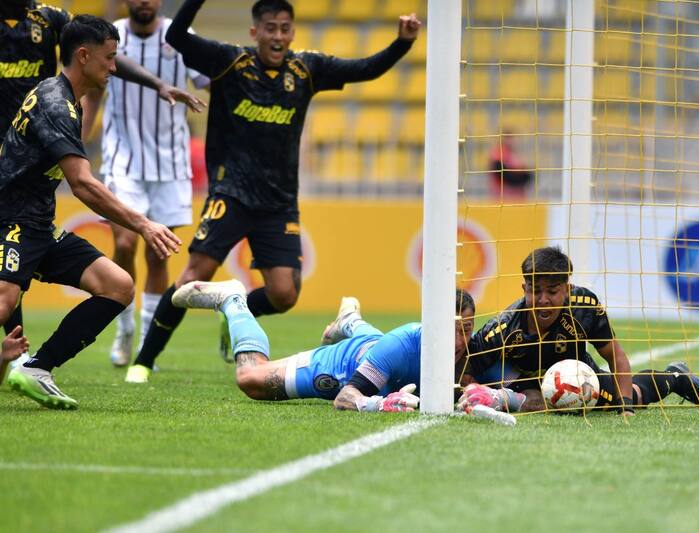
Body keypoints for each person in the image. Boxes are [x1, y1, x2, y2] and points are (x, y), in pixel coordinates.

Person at [125, 0, 422, 383]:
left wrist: (402, 42)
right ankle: (143, 362)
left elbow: (365, 69)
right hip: (230, 194)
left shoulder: (307, 69)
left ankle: (236, 310)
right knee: (193, 276)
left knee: (284, 294)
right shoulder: (229, 61)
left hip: (278, 204)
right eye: (270, 28)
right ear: (255, 32)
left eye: (284, 28)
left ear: (292, 32)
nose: (278, 36)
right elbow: (176, 36)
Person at [0, 0, 205, 382]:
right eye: (109, 58)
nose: (114, 67)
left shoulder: (66, 98)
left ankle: (36, 368)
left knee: (118, 285)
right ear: (83, 56)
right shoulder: (56, 105)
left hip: (38, 224)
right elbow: (82, 184)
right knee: (5, 302)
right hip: (10, 220)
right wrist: (143, 224)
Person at [86, 0, 210, 368]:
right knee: (125, 243)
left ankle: (144, 344)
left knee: (158, 253)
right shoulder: (112, 36)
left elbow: (210, 81)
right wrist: (77, 139)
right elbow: (94, 91)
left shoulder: (181, 35)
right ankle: (124, 327)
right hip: (123, 157)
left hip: (171, 162)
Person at [458, 246, 699, 415]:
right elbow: (466, 372)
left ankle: (676, 377)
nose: (543, 300)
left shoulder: (584, 307)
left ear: (567, 290)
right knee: (533, 402)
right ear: (524, 289)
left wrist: (626, 409)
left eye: (552, 292)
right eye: (535, 291)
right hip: (527, 382)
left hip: (580, 374)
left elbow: (615, 356)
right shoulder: (503, 329)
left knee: (633, 395)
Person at [170, 279, 489, 412]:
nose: (458, 341)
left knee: (377, 346)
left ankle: (349, 320)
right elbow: (345, 398)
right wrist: (379, 404)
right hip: (345, 366)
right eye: (450, 330)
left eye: (466, 330)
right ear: (431, 325)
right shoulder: (400, 345)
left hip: (376, 350)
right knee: (250, 379)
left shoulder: (474, 350)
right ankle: (233, 300)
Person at [487, 134, 534, 200]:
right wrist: (520, 174)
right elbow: (500, 171)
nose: (511, 141)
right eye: (508, 138)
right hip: (503, 195)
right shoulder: (498, 153)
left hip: (517, 195)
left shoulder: (513, 153)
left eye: (511, 138)